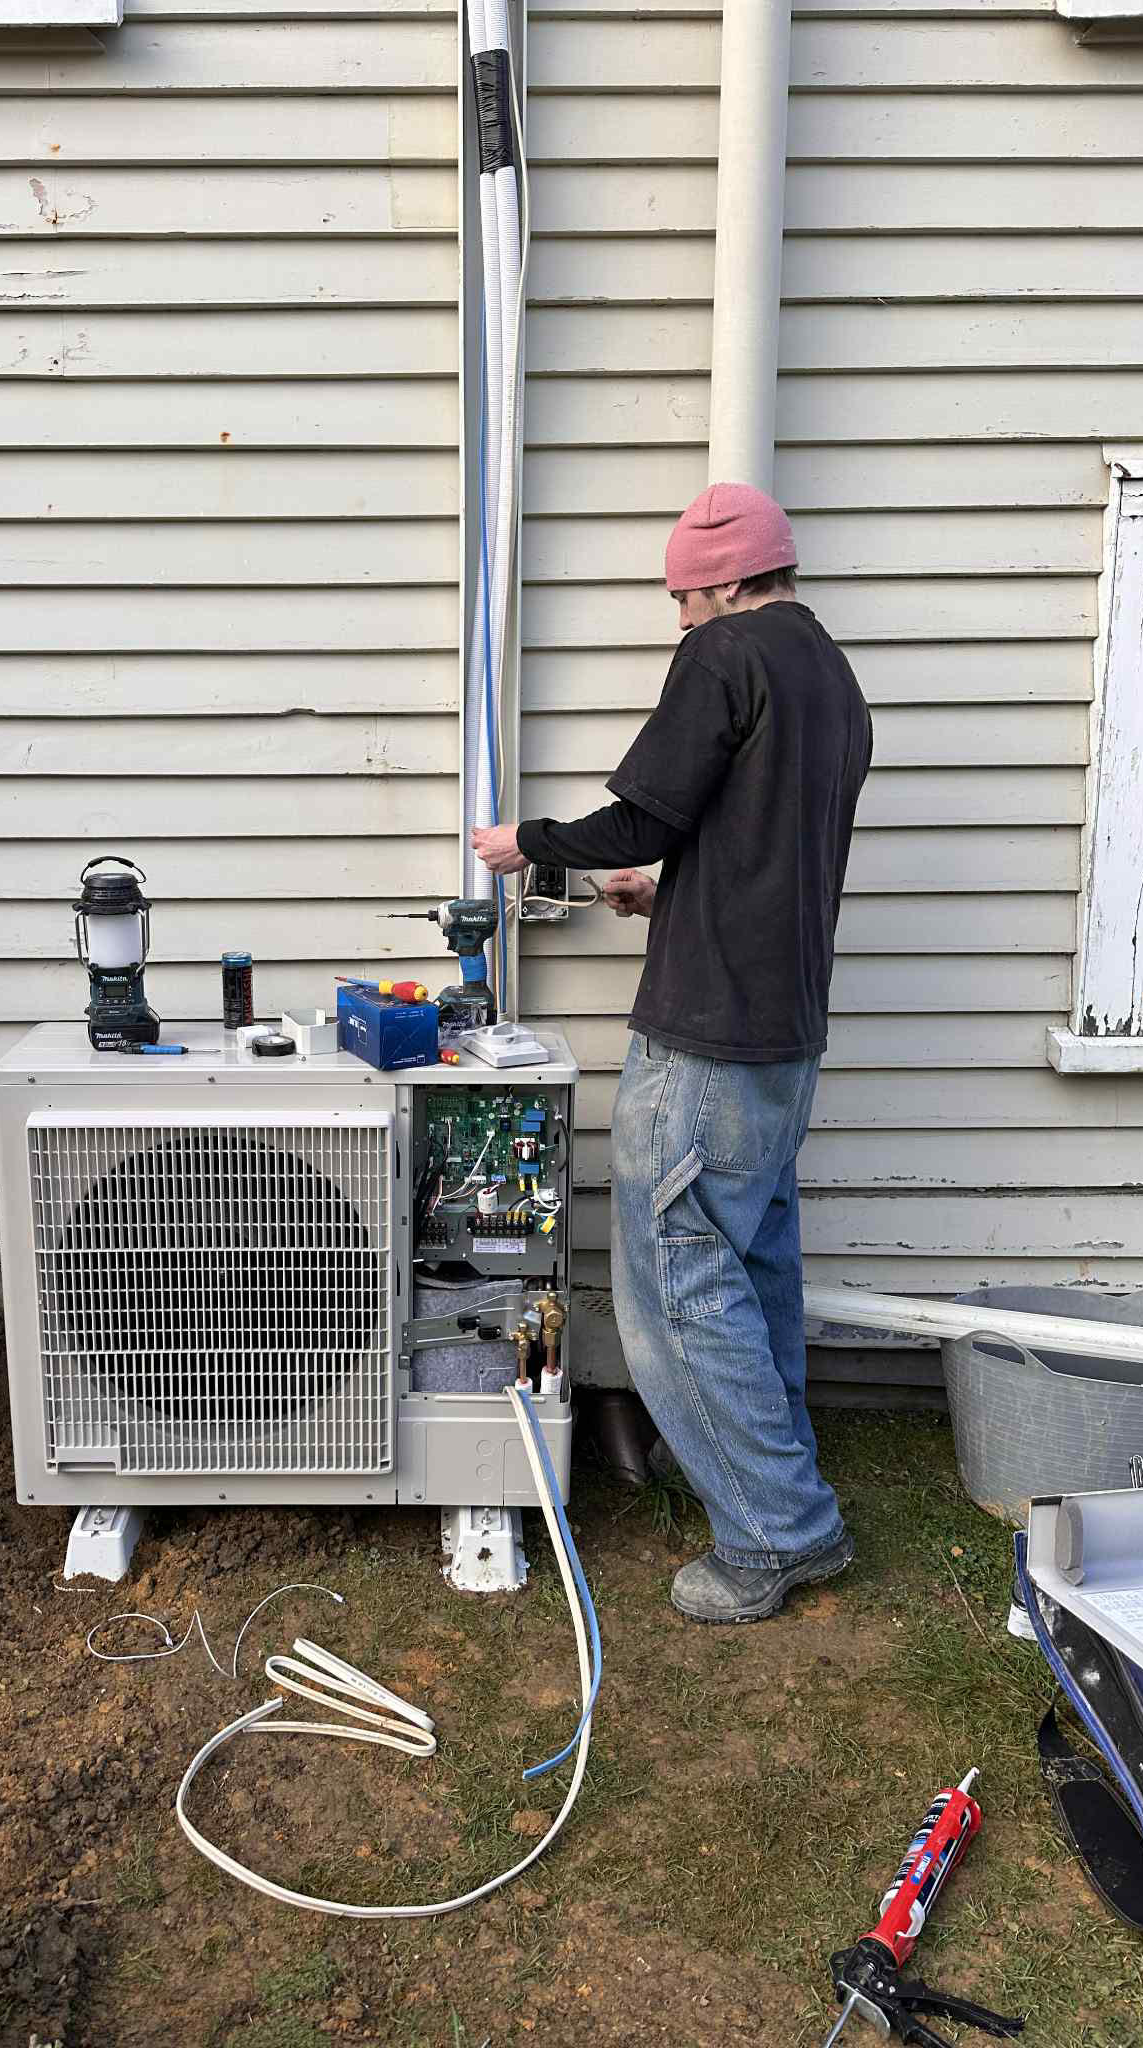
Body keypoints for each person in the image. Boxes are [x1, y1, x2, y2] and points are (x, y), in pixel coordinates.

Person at [473, 482, 873, 1623]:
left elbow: (646, 816)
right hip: (784, 1032)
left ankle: (775, 1533)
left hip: (708, 1038)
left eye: (684, 597)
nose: (680, 619)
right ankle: (776, 1486)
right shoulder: (831, 674)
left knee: (677, 1283)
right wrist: (672, 892)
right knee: (751, 1272)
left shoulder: (725, 654)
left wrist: (528, 843)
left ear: (729, 581)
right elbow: (761, 844)